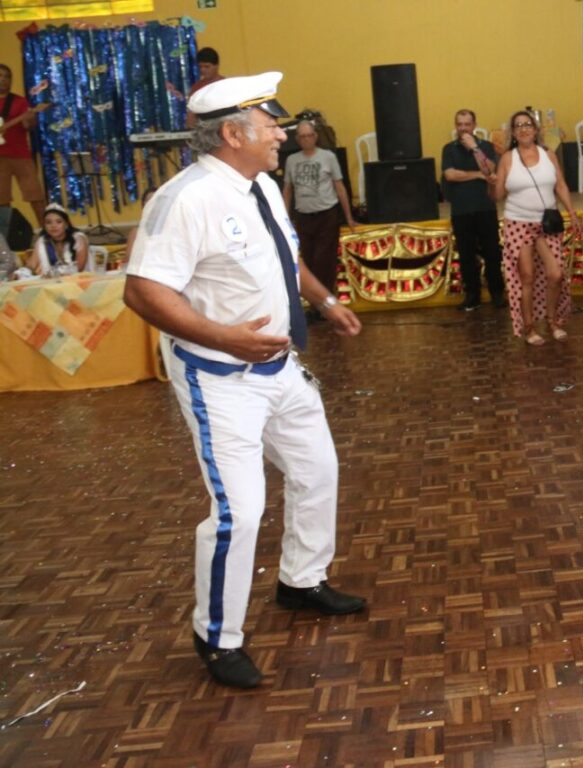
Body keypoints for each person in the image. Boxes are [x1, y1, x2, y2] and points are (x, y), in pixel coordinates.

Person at [124, 72, 366, 689]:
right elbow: (143, 292)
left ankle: (300, 581)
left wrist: (325, 301)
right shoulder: (185, 200)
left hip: (280, 367)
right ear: (232, 134)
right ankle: (215, 636)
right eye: (269, 125)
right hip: (220, 376)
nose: (282, 133)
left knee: (318, 471)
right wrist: (227, 337)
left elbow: (283, 260)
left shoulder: (258, 186)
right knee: (240, 510)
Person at [492, 110, 582, 346]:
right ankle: (530, 327)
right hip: (518, 223)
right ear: (513, 132)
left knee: (556, 274)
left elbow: (560, 185)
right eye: (518, 125)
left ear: (535, 129)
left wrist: (572, 213)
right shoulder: (507, 159)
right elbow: (498, 195)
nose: (523, 129)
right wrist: (493, 184)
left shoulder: (548, 155)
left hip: (546, 223)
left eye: (527, 124)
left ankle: (553, 321)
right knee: (527, 276)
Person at [282, 120, 356, 297]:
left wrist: (349, 217)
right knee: (308, 260)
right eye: (302, 136)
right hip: (303, 217)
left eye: (309, 135)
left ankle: (325, 303)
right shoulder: (292, 160)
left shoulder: (328, 157)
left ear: (315, 136)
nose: (306, 139)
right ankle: (316, 303)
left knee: (324, 261)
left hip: (326, 214)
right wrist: (284, 220)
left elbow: (339, 186)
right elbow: (287, 191)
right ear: (297, 139)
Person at [442, 109, 504, 311]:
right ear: (455, 126)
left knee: (492, 253)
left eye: (467, 124)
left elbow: (489, 170)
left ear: (474, 125)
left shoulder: (485, 146)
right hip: (461, 210)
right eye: (459, 124)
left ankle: (497, 293)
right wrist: (477, 174)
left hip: (484, 208)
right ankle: (472, 295)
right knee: (467, 255)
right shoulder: (448, 149)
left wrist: (475, 149)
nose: (463, 128)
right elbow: (450, 175)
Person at [0, 63, 47, 225]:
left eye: (7, 77)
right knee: (2, 199)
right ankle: (4, 239)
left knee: (35, 195)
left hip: (20, 155)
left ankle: (46, 231)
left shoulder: (19, 101)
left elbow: (29, 127)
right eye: (0, 76)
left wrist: (30, 117)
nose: (3, 80)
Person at [25, 203, 88, 275]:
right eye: (48, 222)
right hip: (54, 283)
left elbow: (79, 268)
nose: (53, 226)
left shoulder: (78, 238)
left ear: (66, 225)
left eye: (58, 222)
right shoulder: (42, 241)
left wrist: (53, 273)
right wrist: (20, 273)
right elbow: (31, 265)